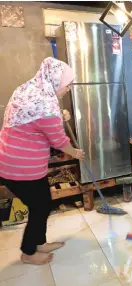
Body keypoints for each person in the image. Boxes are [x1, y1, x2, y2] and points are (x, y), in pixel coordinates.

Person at [0, 57, 85, 265]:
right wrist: (74, 152)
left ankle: (40, 242)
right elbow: (58, 140)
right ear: (55, 80)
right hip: (19, 169)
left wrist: (58, 115)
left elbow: (36, 122)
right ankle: (28, 252)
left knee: (43, 203)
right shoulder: (46, 105)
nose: (69, 88)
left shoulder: (29, 89)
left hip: (15, 162)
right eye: (67, 84)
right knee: (40, 207)